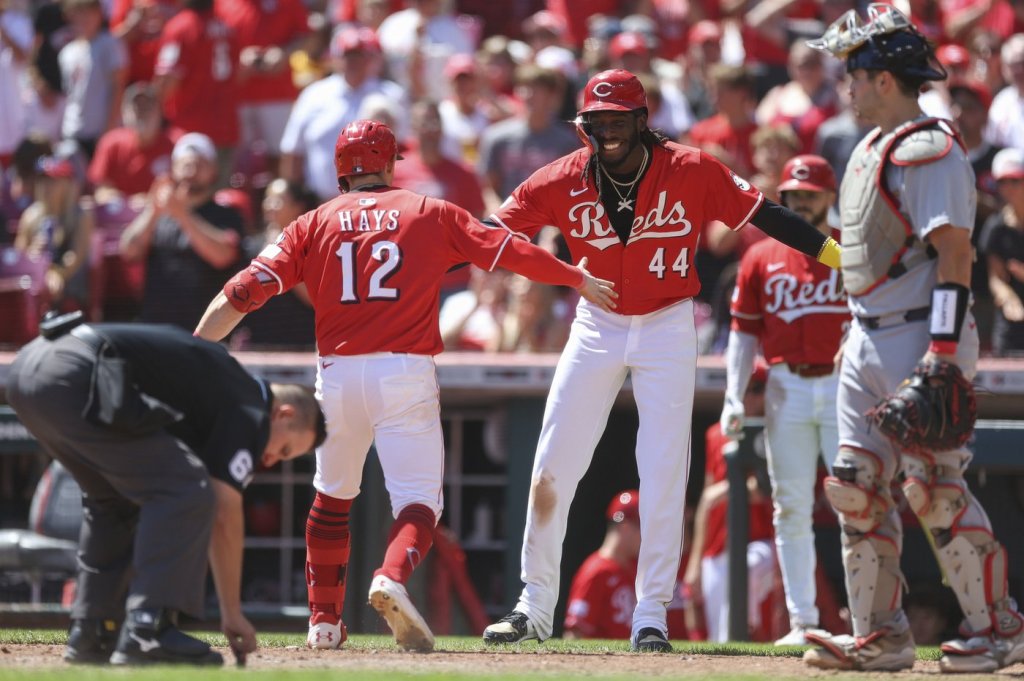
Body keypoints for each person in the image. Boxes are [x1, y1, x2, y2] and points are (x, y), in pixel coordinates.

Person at [192, 119, 616, 652]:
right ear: (390, 163)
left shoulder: (312, 221)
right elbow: (507, 251)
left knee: (331, 497)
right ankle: (390, 576)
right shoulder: (428, 210)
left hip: (336, 374)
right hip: (403, 371)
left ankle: (323, 622)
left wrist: (194, 352)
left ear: (341, 168)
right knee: (418, 505)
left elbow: (243, 291)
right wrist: (575, 277)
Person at [479, 68, 842, 653]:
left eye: (618, 120)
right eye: (597, 122)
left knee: (664, 469)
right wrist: (427, 251)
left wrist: (836, 255)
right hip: (596, 321)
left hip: (668, 322)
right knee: (552, 463)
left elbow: (766, 214)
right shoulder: (562, 175)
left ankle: (652, 614)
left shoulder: (690, 167)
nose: (607, 131)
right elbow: (489, 232)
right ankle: (534, 604)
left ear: (642, 120)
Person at [803, 5, 1024, 672]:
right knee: (853, 484)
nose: (847, 85)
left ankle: (1000, 628)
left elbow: (954, 254)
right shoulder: (868, 146)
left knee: (934, 489)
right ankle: (881, 635)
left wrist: (942, 354)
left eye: (855, 74)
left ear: (883, 79)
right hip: (866, 334)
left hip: (920, 334)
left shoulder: (929, 147)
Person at [5, 317, 326, 666]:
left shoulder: (225, 390)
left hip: (29, 369)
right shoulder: (250, 406)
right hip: (77, 370)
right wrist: (232, 612)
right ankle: (148, 629)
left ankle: (94, 630)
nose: (271, 459)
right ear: (283, 414)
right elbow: (224, 510)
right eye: (283, 449)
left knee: (114, 502)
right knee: (186, 489)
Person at [722, 154, 848, 646]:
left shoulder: (851, 249)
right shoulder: (761, 256)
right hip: (784, 384)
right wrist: (733, 395)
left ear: (830, 196)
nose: (801, 203)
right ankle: (804, 622)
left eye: (810, 195)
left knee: (858, 503)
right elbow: (742, 333)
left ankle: (871, 620)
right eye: (793, 196)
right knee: (790, 506)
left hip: (841, 384)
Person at [686, 367, 776, 643]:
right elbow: (706, 499)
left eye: (757, 389)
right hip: (717, 547)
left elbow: (764, 490)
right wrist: (695, 561)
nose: (749, 397)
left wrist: (727, 490)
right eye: (744, 389)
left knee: (748, 569)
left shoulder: (775, 432)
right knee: (719, 637)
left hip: (761, 540)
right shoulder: (716, 434)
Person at [119, 132, 244, 330]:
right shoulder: (159, 214)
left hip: (205, 331)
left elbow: (224, 257)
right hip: (155, 327)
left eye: (200, 165)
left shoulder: (226, 213)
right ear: (173, 169)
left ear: (213, 171)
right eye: (185, 165)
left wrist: (183, 215)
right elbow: (129, 251)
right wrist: (153, 210)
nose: (191, 171)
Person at [563, 490, 642, 640]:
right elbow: (575, 633)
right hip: (607, 655)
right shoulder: (597, 571)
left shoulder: (634, 567)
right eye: (642, 529)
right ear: (625, 527)